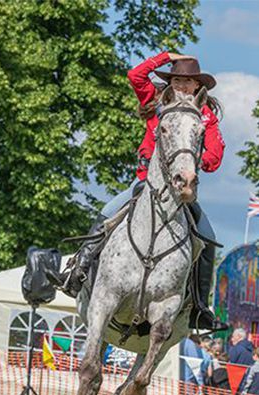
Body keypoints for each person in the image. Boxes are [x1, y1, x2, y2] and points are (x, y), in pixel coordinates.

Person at [53, 51, 227, 332]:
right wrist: (166, 56)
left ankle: (199, 307)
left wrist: (194, 163)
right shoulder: (156, 100)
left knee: (207, 236)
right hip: (146, 183)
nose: (182, 86)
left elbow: (215, 155)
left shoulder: (206, 116)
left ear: (198, 86)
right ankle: (77, 272)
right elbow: (135, 75)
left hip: (182, 189)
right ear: (170, 82)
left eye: (188, 81)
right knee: (107, 213)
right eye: (177, 80)